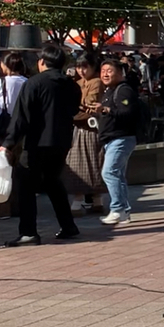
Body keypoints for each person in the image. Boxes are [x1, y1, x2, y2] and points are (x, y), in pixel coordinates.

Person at [0, 43, 82, 247]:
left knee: (25, 184)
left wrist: (8, 143)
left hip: (37, 143)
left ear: (42, 62)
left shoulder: (34, 83)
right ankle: (68, 226)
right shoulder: (71, 85)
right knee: (53, 181)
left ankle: (28, 232)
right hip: (62, 142)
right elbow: (73, 110)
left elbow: (22, 117)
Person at [95, 59, 140, 225]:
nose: (105, 74)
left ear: (120, 73)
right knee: (117, 175)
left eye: (109, 71)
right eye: (103, 71)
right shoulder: (110, 91)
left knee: (109, 172)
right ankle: (123, 212)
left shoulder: (124, 90)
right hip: (113, 138)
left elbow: (127, 111)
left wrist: (106, 110)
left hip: (121, 138)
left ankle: (117, 209)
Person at [65, 51, 105, 214]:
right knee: (86, 162)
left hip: (90, 127)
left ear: (93, 67)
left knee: (86, 162)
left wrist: (76, 107)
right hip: (79, 126)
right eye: (78, 67)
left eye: (84, 67)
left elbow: (90, 104)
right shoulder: (77, 82)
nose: (81, 71)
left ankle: (80, 200)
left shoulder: (96, 82)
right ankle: (95, 200)